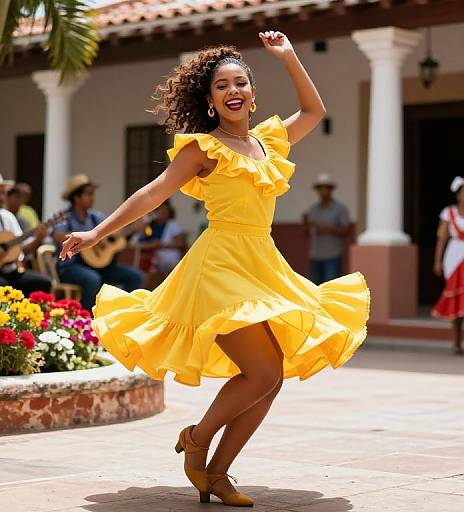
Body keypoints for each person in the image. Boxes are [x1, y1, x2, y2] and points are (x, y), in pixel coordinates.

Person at [61, 32, 370, 507]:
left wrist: (288, 57)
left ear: (251, 93)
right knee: (263, 373)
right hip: (219, 267)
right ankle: (199, 438)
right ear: (209, 100)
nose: (233, 91)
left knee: (271, 377)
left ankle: (218, 474)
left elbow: (314, 112)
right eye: (221, 85)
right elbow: (152, 193)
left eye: (240, 82)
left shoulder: (268, 141)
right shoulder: (203, 149)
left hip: (263, 263)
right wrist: (96, 233)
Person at [52, 174, 144, 310]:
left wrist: (129, 233)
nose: (92, 198)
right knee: (92, 279)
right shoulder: (64, 217)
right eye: (88, 194)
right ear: (76, 197)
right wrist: (90, 239)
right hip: (71, 267)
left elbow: (114, 239)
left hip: (101, 266)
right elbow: (60, 238)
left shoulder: (97, 217)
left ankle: (124, 315)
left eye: (93, 194)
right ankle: (87, 321)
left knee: (135, 276)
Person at [433, 176, 464, 354]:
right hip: (454, 255)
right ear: (458, 195)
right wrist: (437, 261)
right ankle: (456, 340)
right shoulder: (449, 213)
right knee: (456, 301)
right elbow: (441, 238)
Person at [303, 173, 351, 285]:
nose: (323, 192)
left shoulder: (340, 209)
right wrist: (305, 224)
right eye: (320, 189)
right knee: (315, 288)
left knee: (331, 288)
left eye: (326, 189)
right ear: (317, 191)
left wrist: (328, 229)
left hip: (332, 255)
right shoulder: (312, 210)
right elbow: (307, 234)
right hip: (315, 255)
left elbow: (345, 231)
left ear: (331, 190)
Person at [137, 200, 186, 288]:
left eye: (165, 211)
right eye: (160, 211)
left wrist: (162, 245)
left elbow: (181, 243)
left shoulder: (173, 225)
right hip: (152, 262)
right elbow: (140, 241)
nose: (163, 213)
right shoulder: (150, 225)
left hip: (169, 263)